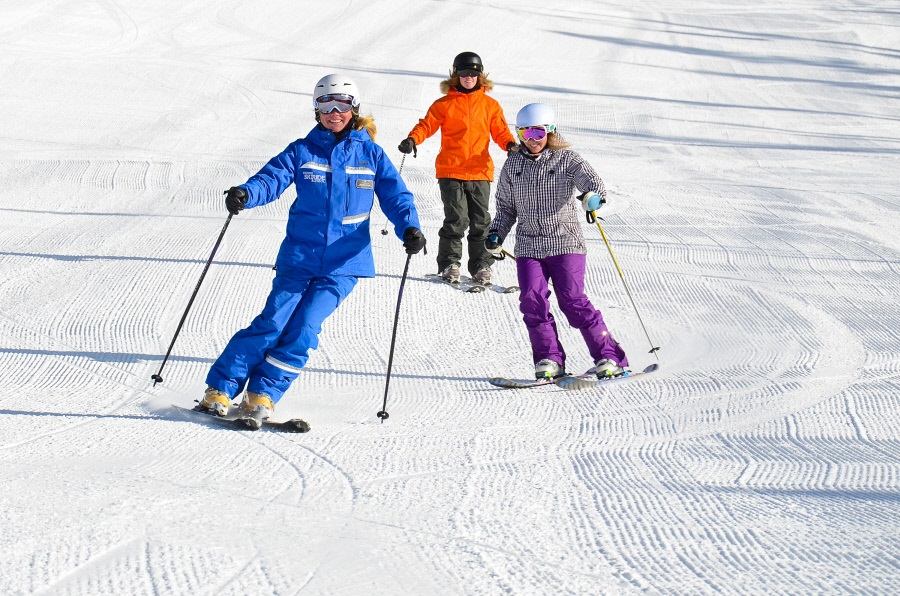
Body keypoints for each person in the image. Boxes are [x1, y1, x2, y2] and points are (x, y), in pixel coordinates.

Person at [197, 74, 426, 426]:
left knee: (304, 327)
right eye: (326, 105)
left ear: (354, 109)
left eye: (342, 105)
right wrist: (246, 193)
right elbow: (270, 179)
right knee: (272, 322)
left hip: (344, 263)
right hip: (300, 257)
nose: (334, 112)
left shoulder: (371, 155)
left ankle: (263, 394)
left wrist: (410, 227)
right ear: (316, 109)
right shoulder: (302, 150)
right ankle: (221, 389)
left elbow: (396, 196)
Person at [485, 102, 629, 381]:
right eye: (525, 134)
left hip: (565, 244)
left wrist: (592, 198)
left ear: (550, 132)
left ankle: (608, 356)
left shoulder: (567, 160)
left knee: (573, 301)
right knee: (532, 301)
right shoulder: (513, 164)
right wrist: (496, 234)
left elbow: (594, 184)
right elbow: (505, 208)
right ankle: (549, 359)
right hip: (529, 246)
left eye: (538, 133)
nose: (532, 140)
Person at [398, 51, 516, 286]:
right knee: (457, 219)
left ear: (480, 75)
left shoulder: (490, 106)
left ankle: (481, 265)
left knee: (481, 221)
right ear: (456, 75)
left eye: (473, 72)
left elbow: (500, 132)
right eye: (463, 72)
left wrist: (510, 145)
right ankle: (450, 263)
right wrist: (413, 140)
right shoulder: (444, 104)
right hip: (451, 170)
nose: (468, 77)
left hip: (480, 171)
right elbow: (427, 125)